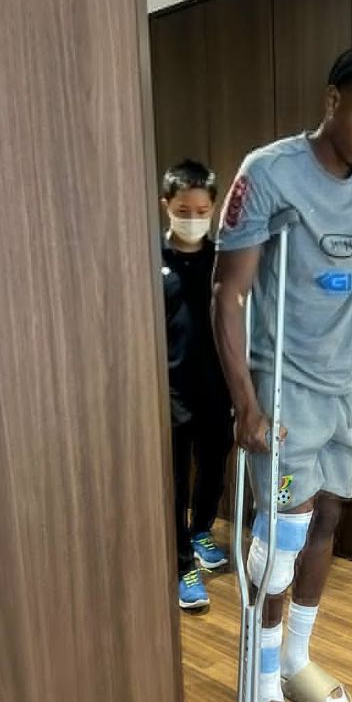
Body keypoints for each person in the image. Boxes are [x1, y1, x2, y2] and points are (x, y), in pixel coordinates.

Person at [212, 46, 352, 702]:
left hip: (340, 385)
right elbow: (229, 293)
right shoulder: (268, 173)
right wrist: (246, 404)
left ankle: (295, 657)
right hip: (280, 384)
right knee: (285, 534)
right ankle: (261, 683)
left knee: (329, 514)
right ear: (333, 101)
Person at [160, 159, 233, 610]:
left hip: (218, 387)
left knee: (213, 469)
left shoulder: (223, 260)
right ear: (166, 205)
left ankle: (201, 529)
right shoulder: (151, 259)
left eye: (202, 211)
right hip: (168, 391)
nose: (193, 219)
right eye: (183, 211)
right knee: (173, 482)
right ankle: (182, 562)